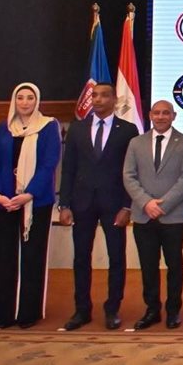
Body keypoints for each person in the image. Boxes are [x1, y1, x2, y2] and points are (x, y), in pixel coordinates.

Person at [59, 83, 139, 331]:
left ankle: (112, 309)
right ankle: (82, 309)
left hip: (114, 204)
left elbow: (131, 171)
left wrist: (127, 206)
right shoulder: (77, 128)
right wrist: (64, 204)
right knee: (81, 258)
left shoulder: (128, 130)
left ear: (114, 99)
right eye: (94, 95)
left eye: (104, 95)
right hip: (82, 203)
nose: (98, 99)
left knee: (116, 257)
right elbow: (68, 168)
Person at [0, 83, 60, 329]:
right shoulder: (5, 128)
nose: (25, 102)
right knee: (5, 257)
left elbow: (49, 165)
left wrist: (28, 194)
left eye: (30, 98)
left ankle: (28, 311)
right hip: (5, 203)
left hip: (36, 203)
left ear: (37, 101)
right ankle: (4, 313)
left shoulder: (48, 126)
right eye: (20, 98)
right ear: (14, 101)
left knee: (32, 256)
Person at [122, 100, 183, 330]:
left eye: (166, 113)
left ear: (174, 116)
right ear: (150, 115)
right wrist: (146, 203)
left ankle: (173, 310)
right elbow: (128, 176)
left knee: (174, 264)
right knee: (148, 265)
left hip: (173, 215)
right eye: (157, 113)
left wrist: (163, 204)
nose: (161, 117)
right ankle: (152, 310)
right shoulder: (136, 143)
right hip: (143, 214)